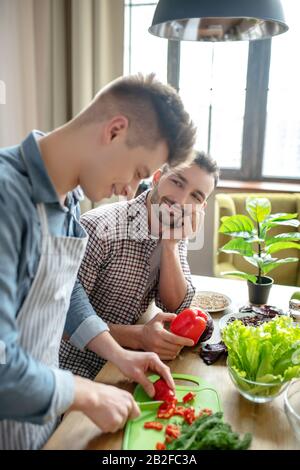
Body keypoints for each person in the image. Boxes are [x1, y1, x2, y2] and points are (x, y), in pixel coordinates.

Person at [0, 74, 196, 450]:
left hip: (37, 426)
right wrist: (87, 393)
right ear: (115, 131)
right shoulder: (7, 198)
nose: (130, 192)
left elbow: (62, 290)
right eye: (139, 173)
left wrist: (120, 355)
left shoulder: (69, 198)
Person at [60, 151, 219, 379]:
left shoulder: (175, 229)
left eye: (195, 196)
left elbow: (175, 306)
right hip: (74, 368)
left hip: (128, 363)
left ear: (201, 207)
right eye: (177, 182)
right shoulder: (97, 229)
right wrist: (138, 336)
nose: (181, 201)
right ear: (156, 178)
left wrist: (170, 245)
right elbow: (62, 321)